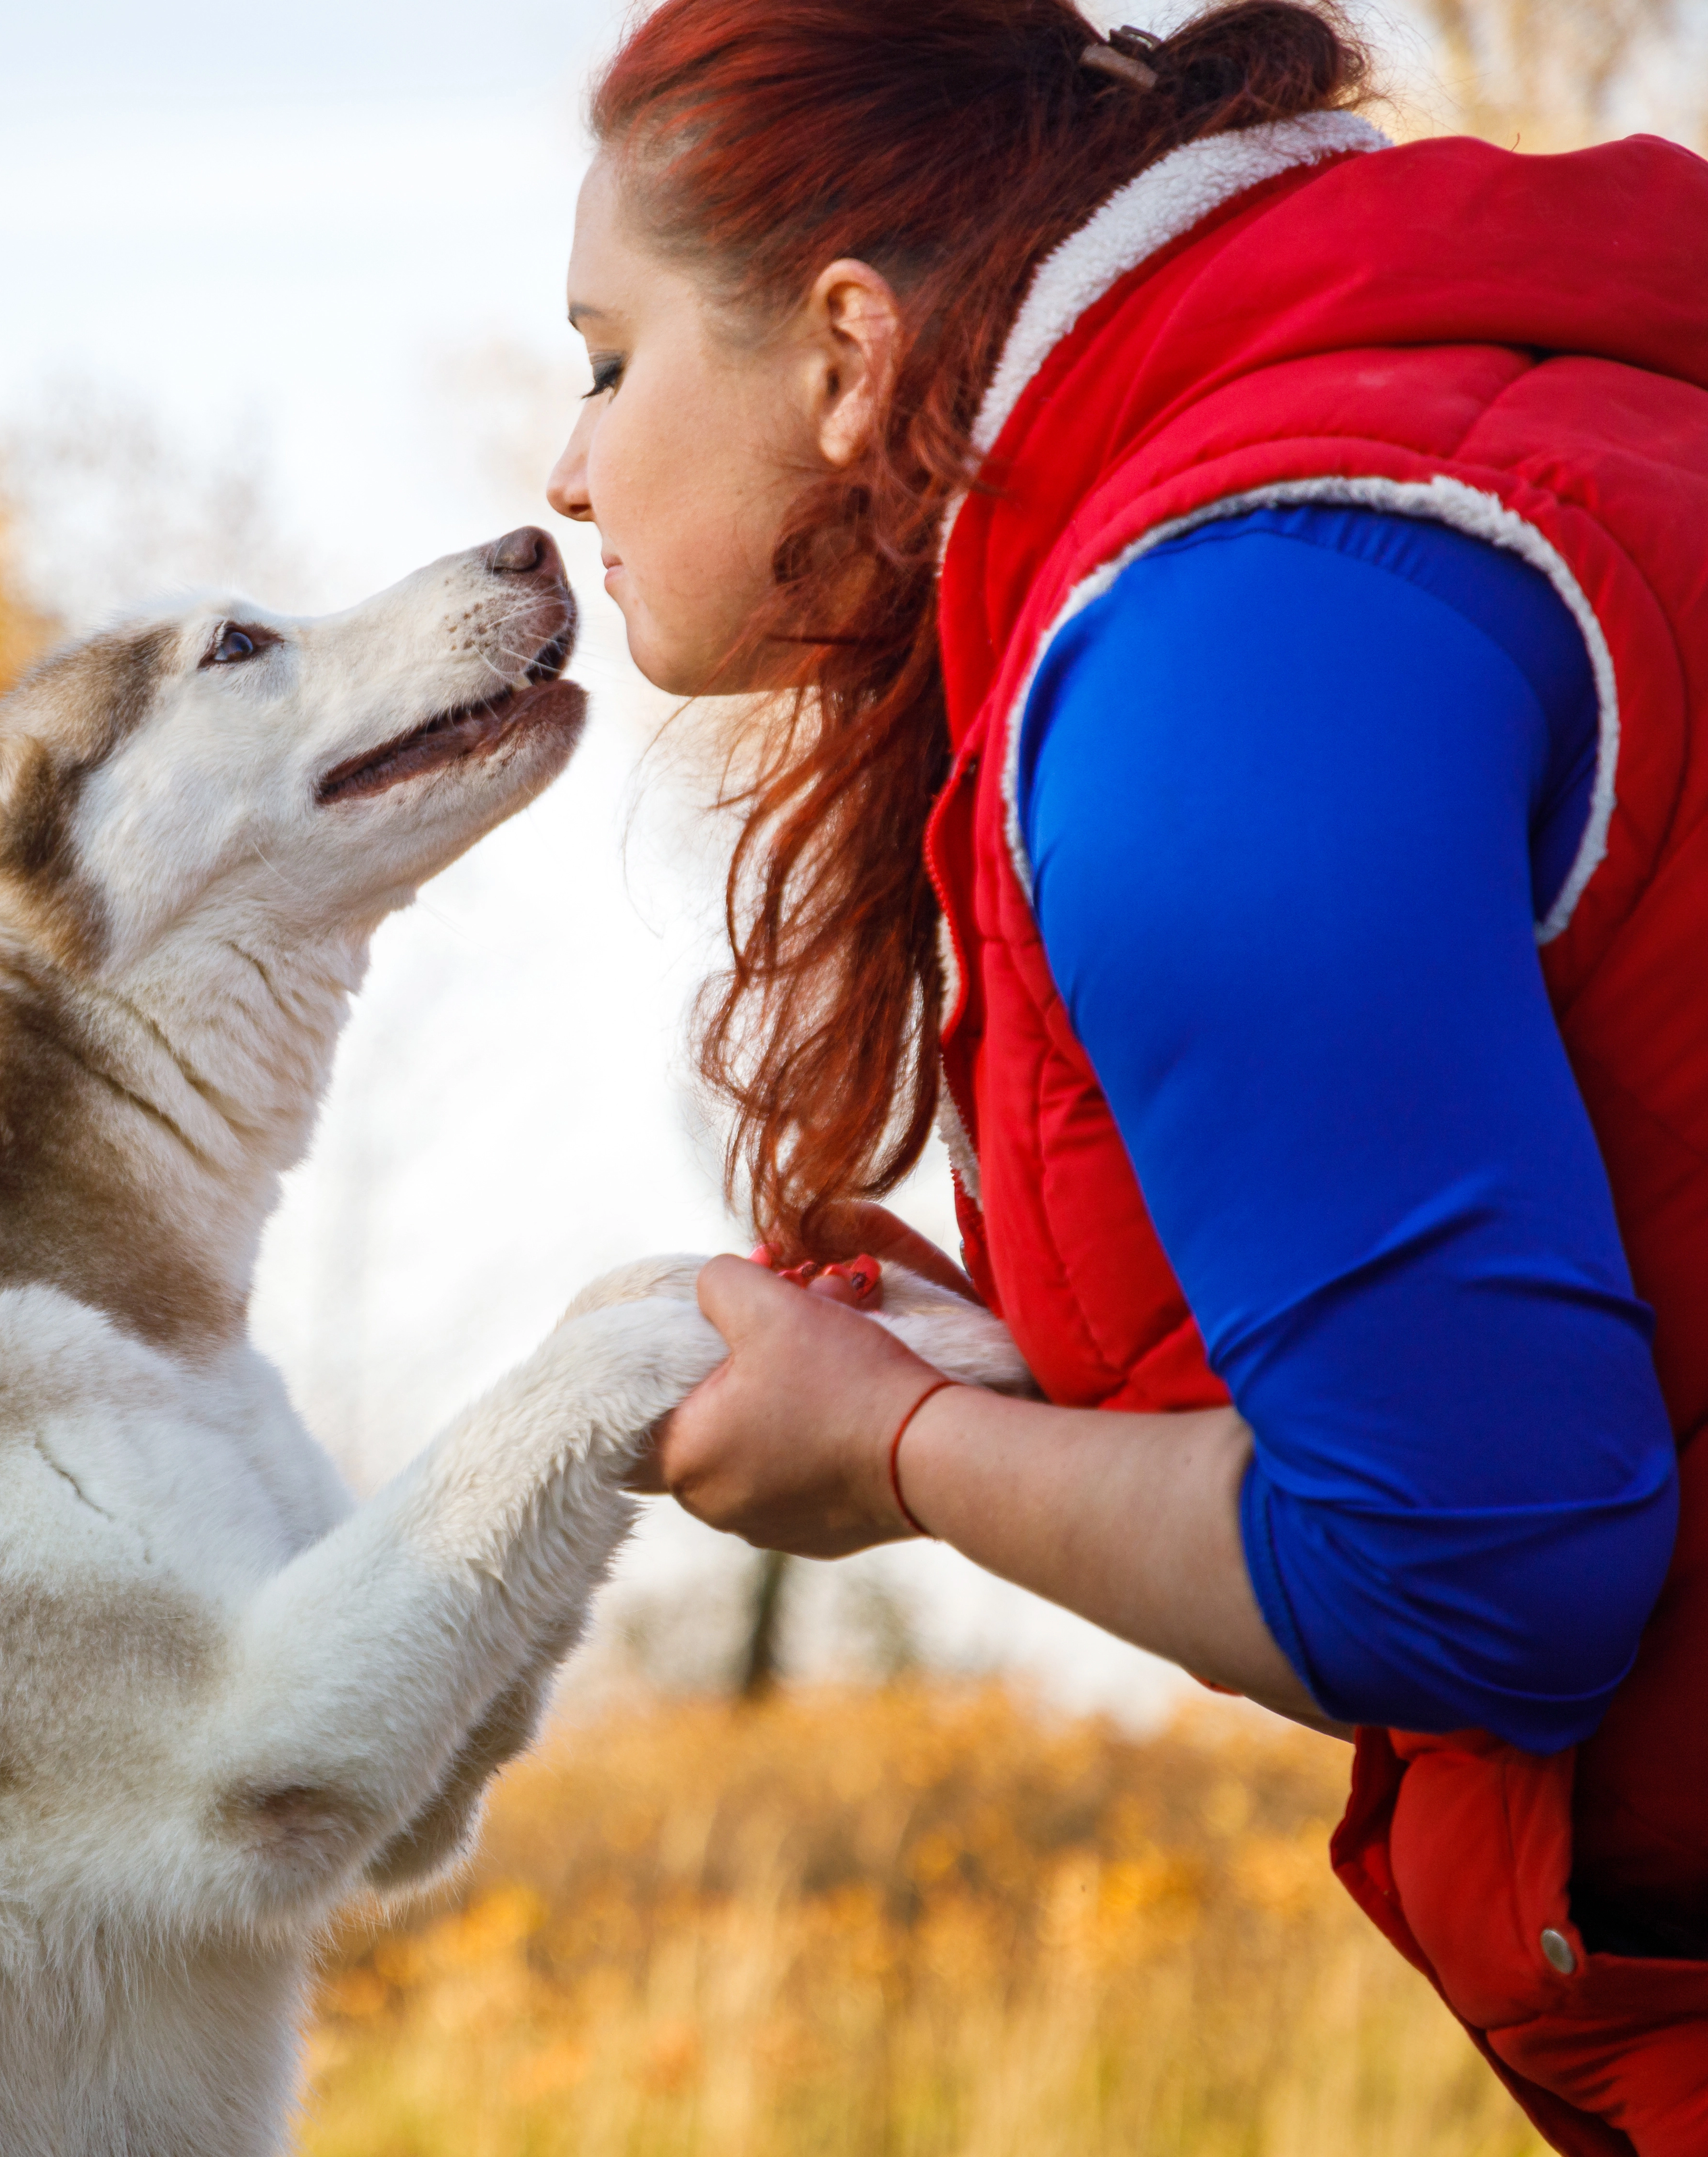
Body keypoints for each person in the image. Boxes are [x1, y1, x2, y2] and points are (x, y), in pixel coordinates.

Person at [540, 1, 1708, 2144]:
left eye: (610, 359)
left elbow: (1479, 1572)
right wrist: (1009, 1375)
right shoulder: (1450, 444)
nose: (569, 461)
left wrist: (898, 1452)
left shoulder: (1216, 653)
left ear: (843, 350)